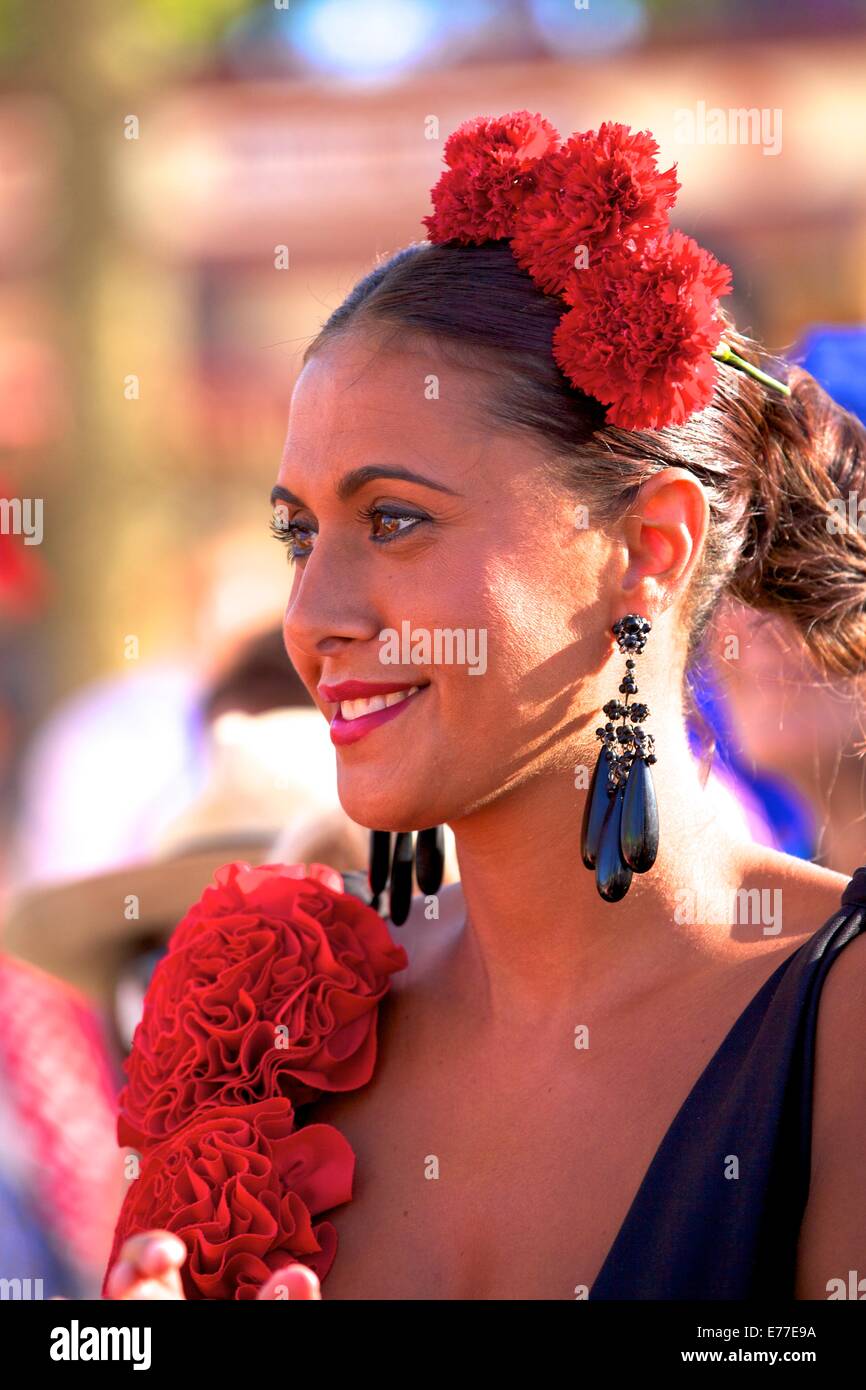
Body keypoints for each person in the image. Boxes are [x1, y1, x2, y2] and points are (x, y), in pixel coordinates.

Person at [105, 112, 866, 1301]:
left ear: (645, 548)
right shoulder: (267, 1032)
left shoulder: (840, 1033)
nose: (313, 614)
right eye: (297, 535)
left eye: (393, 520)